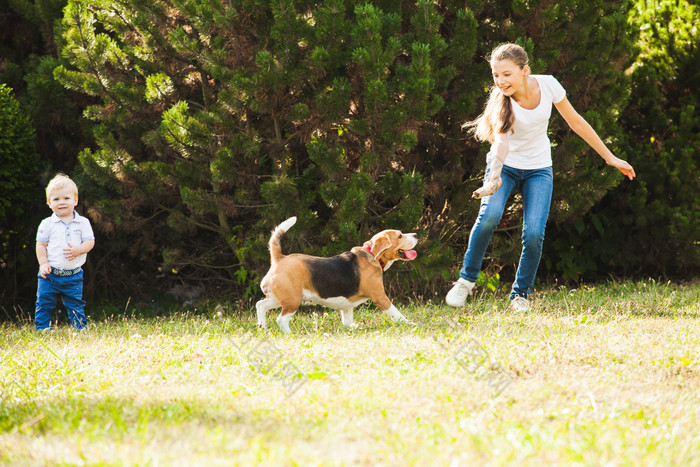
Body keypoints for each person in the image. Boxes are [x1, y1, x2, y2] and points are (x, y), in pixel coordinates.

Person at [446, 43, 635, 312]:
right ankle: (466, 281)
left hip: (539, 169)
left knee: (534, 233)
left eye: (506, 74)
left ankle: (519, 294)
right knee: (489, 216)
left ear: (525, 71)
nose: (500, 81)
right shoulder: (503, 103)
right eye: (496, 75)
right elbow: (500, 145)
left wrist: (609, 157)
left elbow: (576, 121)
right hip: (506, 168)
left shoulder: (548, 85)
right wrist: (495, 177)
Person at [35, 174, 95, 331]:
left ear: (75, 200)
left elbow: (90, 242)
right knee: (44, 302)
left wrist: (78, 250)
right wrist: (43, 263)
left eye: (66, 198)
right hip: (50, 274)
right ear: (49, 203)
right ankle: (43, 328)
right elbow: (41, 245)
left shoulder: (83, 223)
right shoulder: (47, 224)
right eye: (56, 199)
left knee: (75, 302)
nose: (61, 202)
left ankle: (79, 328)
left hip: (73, 275)